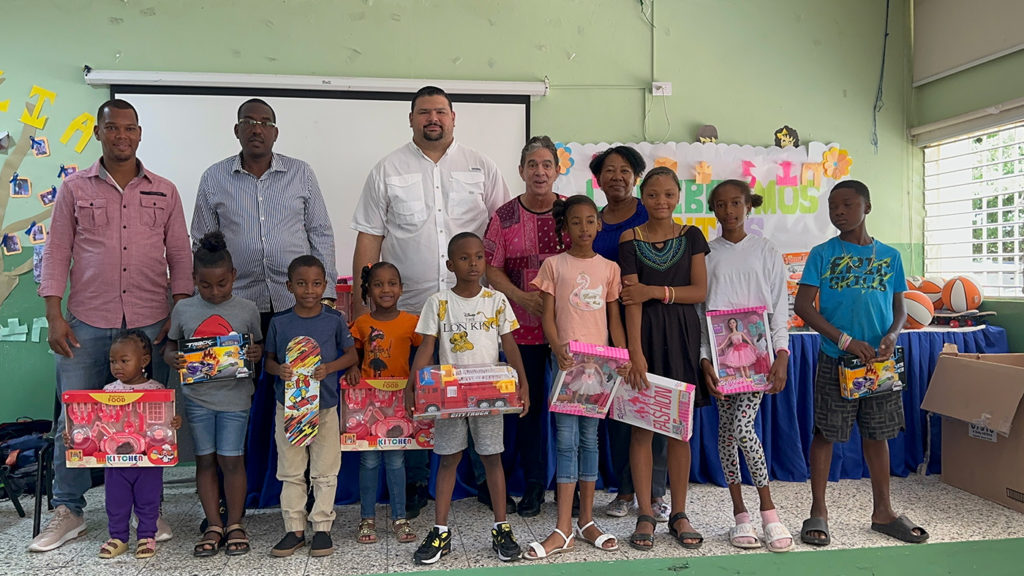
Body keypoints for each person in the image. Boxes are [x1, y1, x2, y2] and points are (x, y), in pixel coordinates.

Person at [33, 98, 191, 552]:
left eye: (129, 128)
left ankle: (148, 511)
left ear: (139, 133)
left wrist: (178, 314)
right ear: (98, 132)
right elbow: (57, 251)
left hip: (151, 323)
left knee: (149, 422)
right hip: (86, 322)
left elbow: (180, 254)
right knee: (75, 419)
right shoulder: (73, 188)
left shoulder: (165, 190)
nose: (122, 135)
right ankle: (69, 510)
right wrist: (54, 315)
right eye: (112, 128)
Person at [352, 85, 510, 517]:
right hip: (410, 312)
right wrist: (362, 317)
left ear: (454, 118)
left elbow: (502, 233)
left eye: (440, 111)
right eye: (424, 112)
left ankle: (485, 480)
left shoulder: (481, 165)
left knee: (477, 389)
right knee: (418, 394)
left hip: (475, 312)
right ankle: (418, 481)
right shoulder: (387, 169)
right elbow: (369, 239)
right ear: (411, 119)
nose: (433, 119)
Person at [795, 180, 927, 547]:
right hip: (837, 360)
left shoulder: (890, 256)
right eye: (833, 206)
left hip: (878, 365)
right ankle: (818, 511)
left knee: (877, 434)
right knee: (825, 433)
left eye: (848, 204)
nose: (839, 211)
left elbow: (900, 308)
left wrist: (893, 334)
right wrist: (845, 341)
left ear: (867, 207)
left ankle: (883, 512)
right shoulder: (822, 254)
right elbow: (803, 306)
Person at [408, 232, 529, 565]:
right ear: (450, 265)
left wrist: (523, 383)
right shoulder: (438, 302)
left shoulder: (496, 301)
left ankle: (501, 528)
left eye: (478, 256)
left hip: (490, 395)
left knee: (492, 458)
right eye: (464, 258)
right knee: (448, 459)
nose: (473, 263)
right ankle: (440, 531)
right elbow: (427, 347)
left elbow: (510, 345)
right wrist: (412, 386)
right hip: (448, 397)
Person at [524, 195, 626, 560]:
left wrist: (622, 354)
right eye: (576, 222)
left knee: (590, 440)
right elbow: (547, 315)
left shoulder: (609, 269)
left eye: (590, 220)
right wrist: (556, 347)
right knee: (566, 441)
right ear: (565, 227)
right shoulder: (554, 265)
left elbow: (614, 319)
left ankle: (586, 521)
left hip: (598, 369)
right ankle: (562, 527)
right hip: (566, 366)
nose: (584, 228)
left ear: (599, 224)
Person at [698, 179, 793, 552]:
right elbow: (702, 313)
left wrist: (781, 353)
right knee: (725, 433)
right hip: (721, 361)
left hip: (758, 358)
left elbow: (779, 309)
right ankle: (740, 514)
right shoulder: (706, 254)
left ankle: (769, 511)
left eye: (736, 203)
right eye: (721, 204)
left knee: (742, 427)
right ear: (713, 209)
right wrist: (704, 358)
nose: (729, 211)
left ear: (748, 205)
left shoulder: (766, 250)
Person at [619, 166, 709, 551]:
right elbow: (630, 300)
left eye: (669, 194)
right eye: (653, 194)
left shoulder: (692, 236)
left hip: (683, 336)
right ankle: (645, 512)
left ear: (678, 197)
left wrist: (654, 291)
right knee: (642, 428)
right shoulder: (629, 238)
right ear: (643, 197)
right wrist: (635, 352)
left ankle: (679, 512)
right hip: (646, 338)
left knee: (678, 430)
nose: (661, 201)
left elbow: (699, 290)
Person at [192, 98, 338, 331]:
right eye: (248, 122)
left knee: (296, 356)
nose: (257, 129)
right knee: (241, 357)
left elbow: (321, 234)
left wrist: (326, 295)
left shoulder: (301, 173)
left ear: (275, 133)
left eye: (265, 123)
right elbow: (202, 243)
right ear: (236, 130)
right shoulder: (214, 178)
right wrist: (203, 297)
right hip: (235, 303)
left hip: (296, 300)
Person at [483, 135, 568, 517]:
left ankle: (571, 487)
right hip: (522, 330)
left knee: (573, 409)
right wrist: (521, 296)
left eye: (547, 164)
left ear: (557, 170)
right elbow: (490, 268)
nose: (540, 171)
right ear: (521, 171)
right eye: (532, 165)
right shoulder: (504, 217)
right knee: (527, 410)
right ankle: (534, 486)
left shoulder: (572, 212)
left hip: (569, 330)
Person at [165, 231, 263, 557]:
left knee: (232, 460)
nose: (215, 291)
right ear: (194, 279)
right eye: (206, 285)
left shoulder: (247, 309)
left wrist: (256, 354)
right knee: (205, 460)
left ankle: (235, 523)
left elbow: (258, 346)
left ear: (233, 276)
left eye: (222, 283)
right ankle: (213, 524)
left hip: (236, 399)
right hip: (198, 400)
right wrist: (173, 357)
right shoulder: (183, 309)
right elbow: (169, 347)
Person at [589, 147, 670, 522]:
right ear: (598, 179)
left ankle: (655, 493)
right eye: (609, 170)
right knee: (619, 412)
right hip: (604, 327)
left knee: (652, 408)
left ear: (636, 177)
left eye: (625, 170)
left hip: (650, 323)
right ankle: (624, 490)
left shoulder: (648, 213)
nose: (617, 177)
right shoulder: (593, 220)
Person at [264, 255, 358, 558]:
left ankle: (322, 528)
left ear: (325, 285)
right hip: (290, 408)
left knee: (325, 469)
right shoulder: (280, 322)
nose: (309, 290)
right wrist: (279, 370)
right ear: (289, 286)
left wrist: (329, 368)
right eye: (302, 284)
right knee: (290, 470)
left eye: (316, 284)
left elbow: (351, 356)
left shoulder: (334, 320)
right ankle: (294, 528)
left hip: (325, 407)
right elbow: (268, 361)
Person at [346, 262, 422, 545]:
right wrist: (352, 368)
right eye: (378, 284)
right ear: (368, 290)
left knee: (396, 460)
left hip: (399, 403)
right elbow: (351, 354)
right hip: (367, 404)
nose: (386, 289)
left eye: (392, 283)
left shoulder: (412, 322)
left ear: (401, 289)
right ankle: (367, 518)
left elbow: (425, 350)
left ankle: (399, 517)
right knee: (368, 460)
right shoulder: (361, 324)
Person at [91, 330, 181, 559]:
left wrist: (174, 423)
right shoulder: (108, 391)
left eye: (124, 360)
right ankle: (118, 538)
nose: (117, 367)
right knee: (115, 500)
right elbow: (99, 424)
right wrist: (75, 436)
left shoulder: (157, 390)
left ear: (144, 361)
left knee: (148, 500)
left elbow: (164, 423)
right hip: (116, 461)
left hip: (148, 460)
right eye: (113, 361)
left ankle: (147, 536)